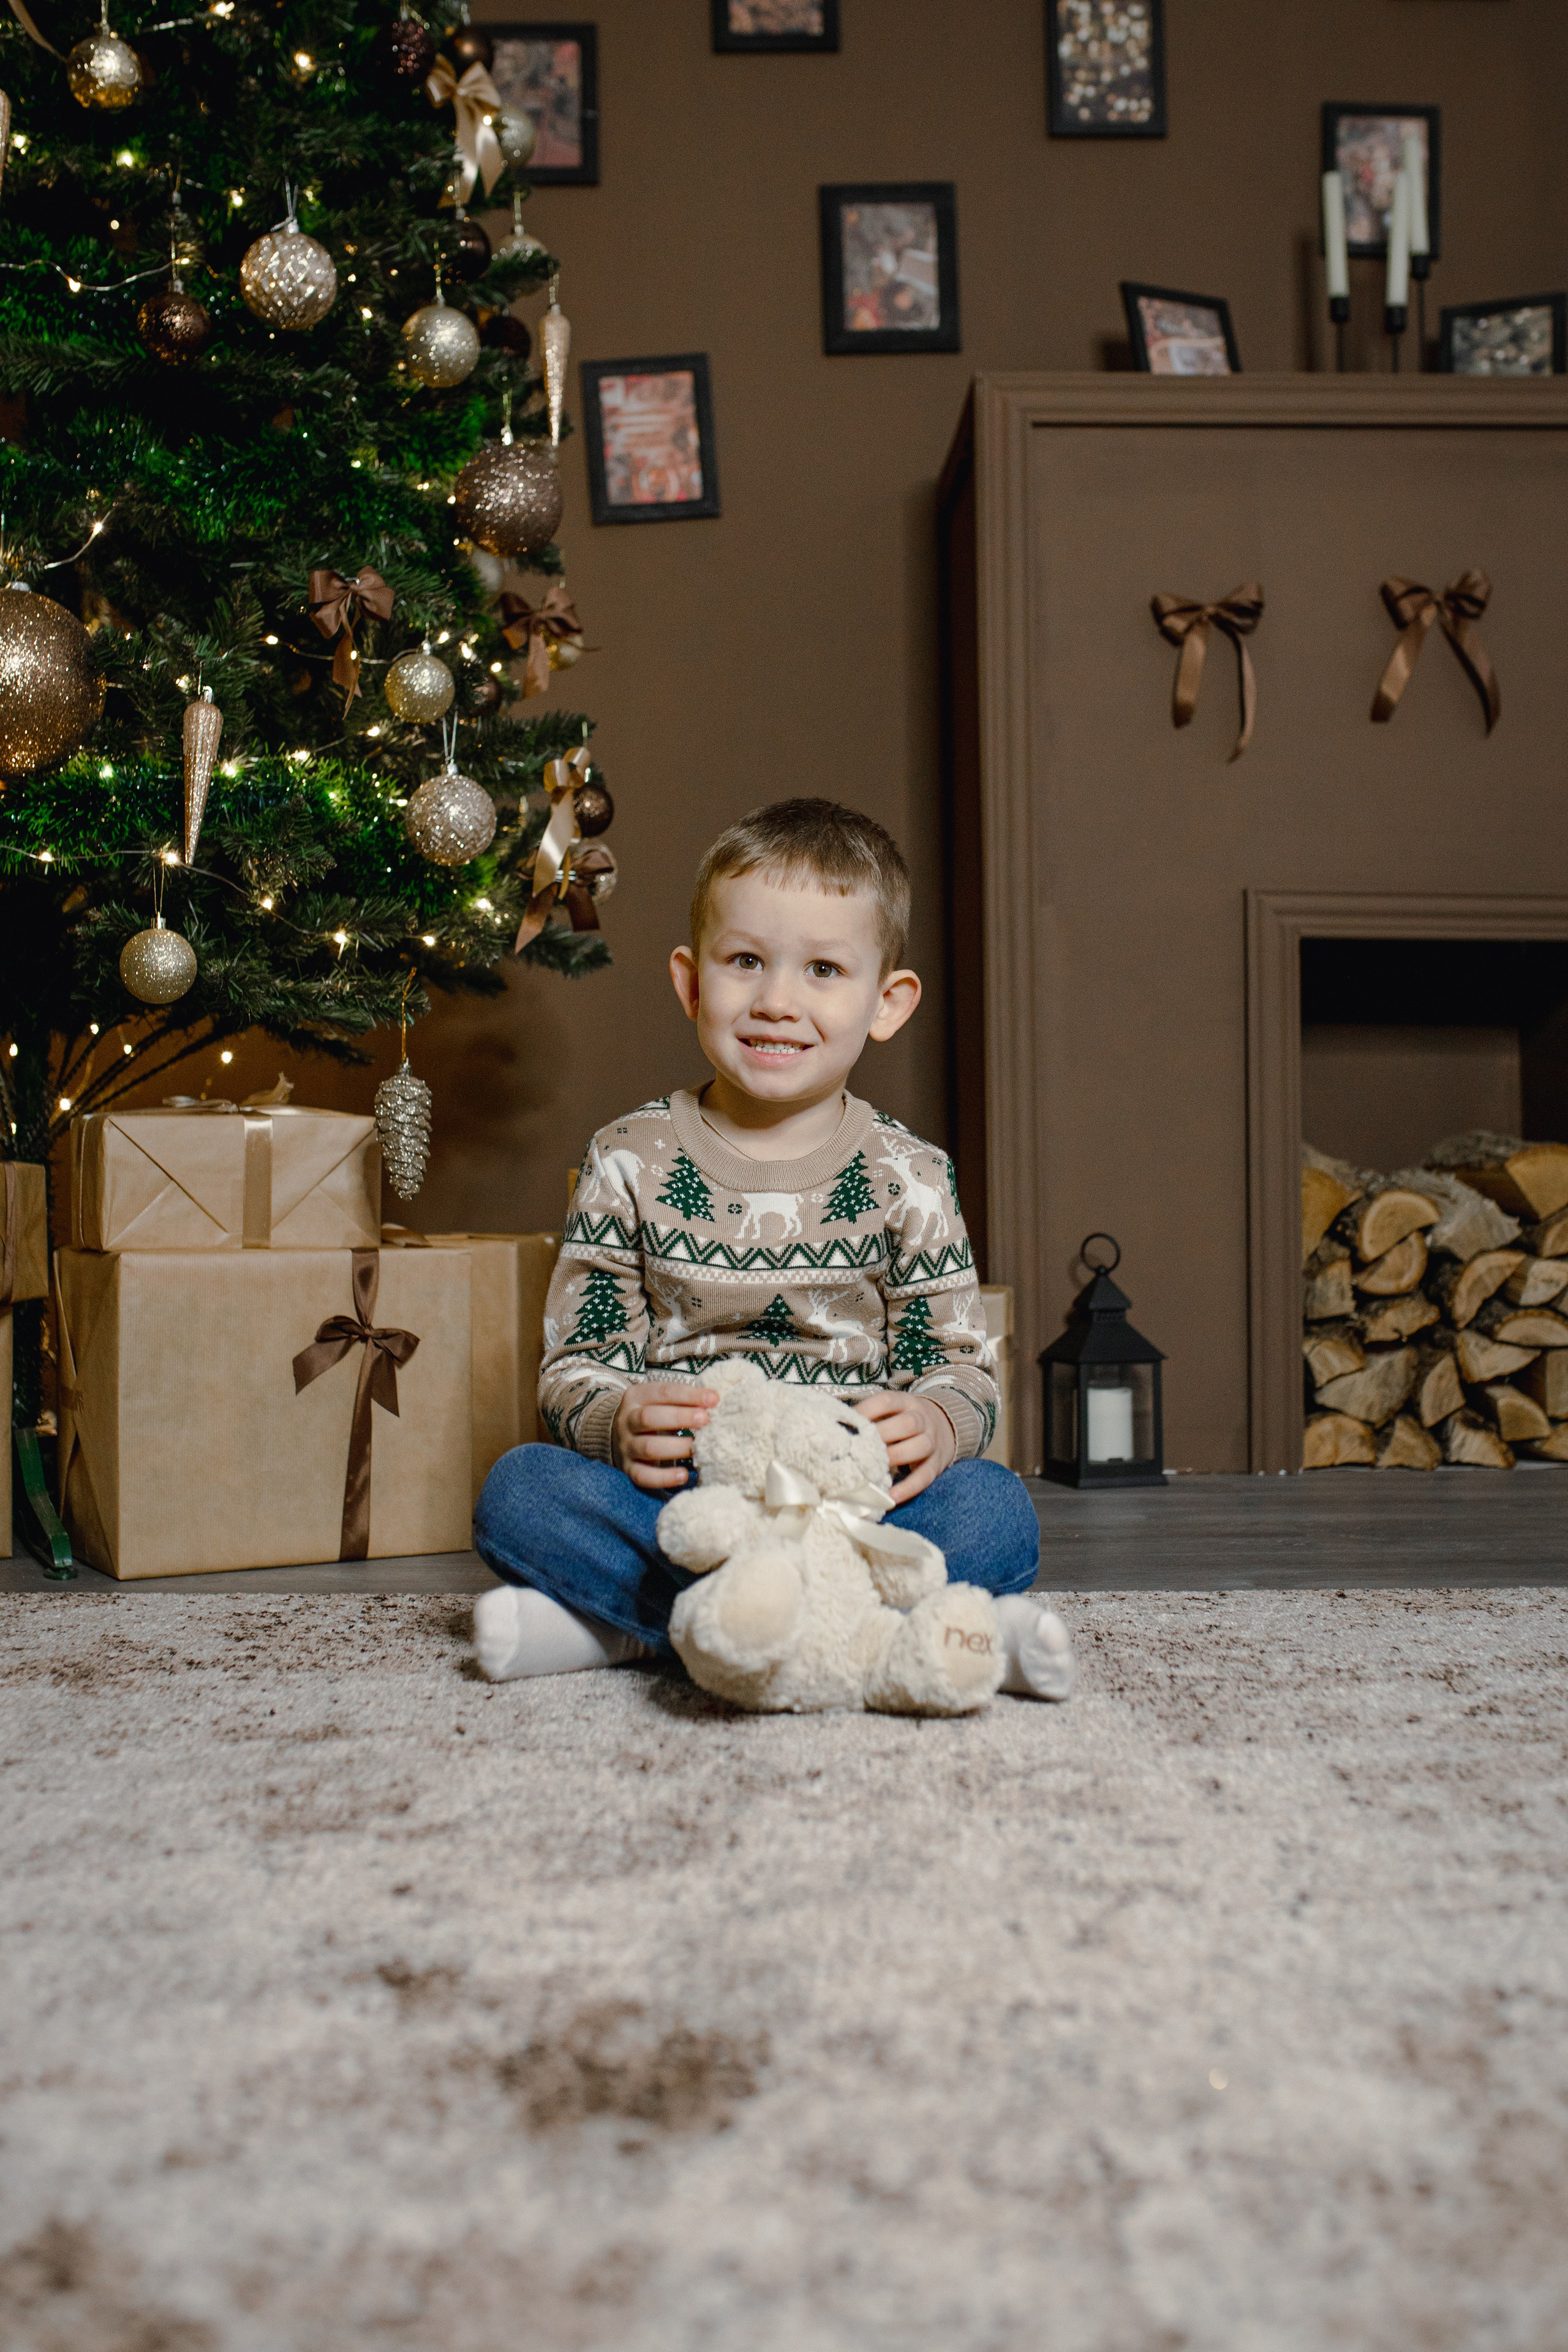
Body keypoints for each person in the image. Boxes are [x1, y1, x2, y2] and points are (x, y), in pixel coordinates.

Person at [472, 798, 1074, 1702]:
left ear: (887, 1003)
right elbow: (575, 1366)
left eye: (824, 969)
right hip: (689, 1503)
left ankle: (641, 1636)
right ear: (690, 982)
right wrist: (618, 1417)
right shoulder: (628, 1158)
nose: (776, 1001)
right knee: (520, 1491)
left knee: (996, 1509)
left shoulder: (909, 1174)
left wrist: (941, 1423)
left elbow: (963, 1371)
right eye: (745, 960)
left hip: (854, 1507)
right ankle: (895, 1638)